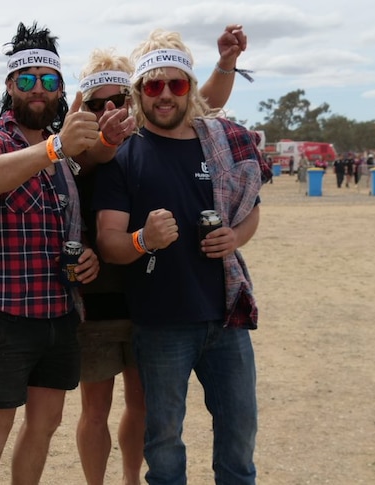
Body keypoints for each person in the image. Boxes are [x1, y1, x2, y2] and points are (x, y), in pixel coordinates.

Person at [73, 24, 248, 485]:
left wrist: (226, 63)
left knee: (146, 408)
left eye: (117, 100)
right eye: (96, 103)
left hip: (151, 298)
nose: (108, 110)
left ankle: (132, 481)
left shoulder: (157, 123)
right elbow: (77, 171)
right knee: (98, 409)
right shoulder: (89, 146)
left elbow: (202, 98)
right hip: (101, 290)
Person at [0, 22, 102, 484]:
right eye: (27, 80)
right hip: (3, 314)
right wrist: (56, 147)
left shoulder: (65, 153)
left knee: (44, 428)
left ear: (61, 89)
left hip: (60, 312)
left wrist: (89, 258)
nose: (38, 89)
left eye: (50, 80)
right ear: (9, 86)